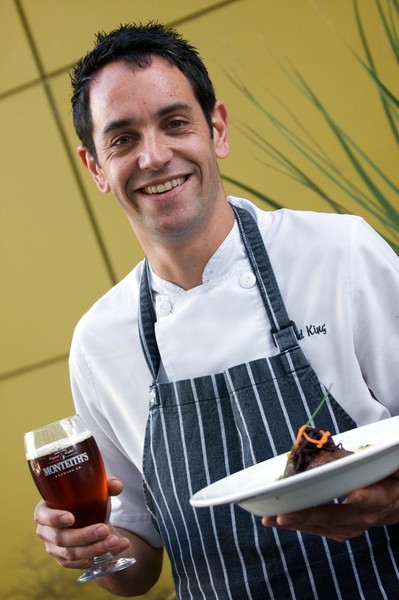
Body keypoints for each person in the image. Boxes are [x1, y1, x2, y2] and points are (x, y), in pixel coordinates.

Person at [33, 21, 399, 599]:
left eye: (174, 123)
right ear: (96, 168)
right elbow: (139, 564)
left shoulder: (340, 255)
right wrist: (96, 548)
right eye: (123, 139)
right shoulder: (100, 342)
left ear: (217, 129)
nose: (154, 157)